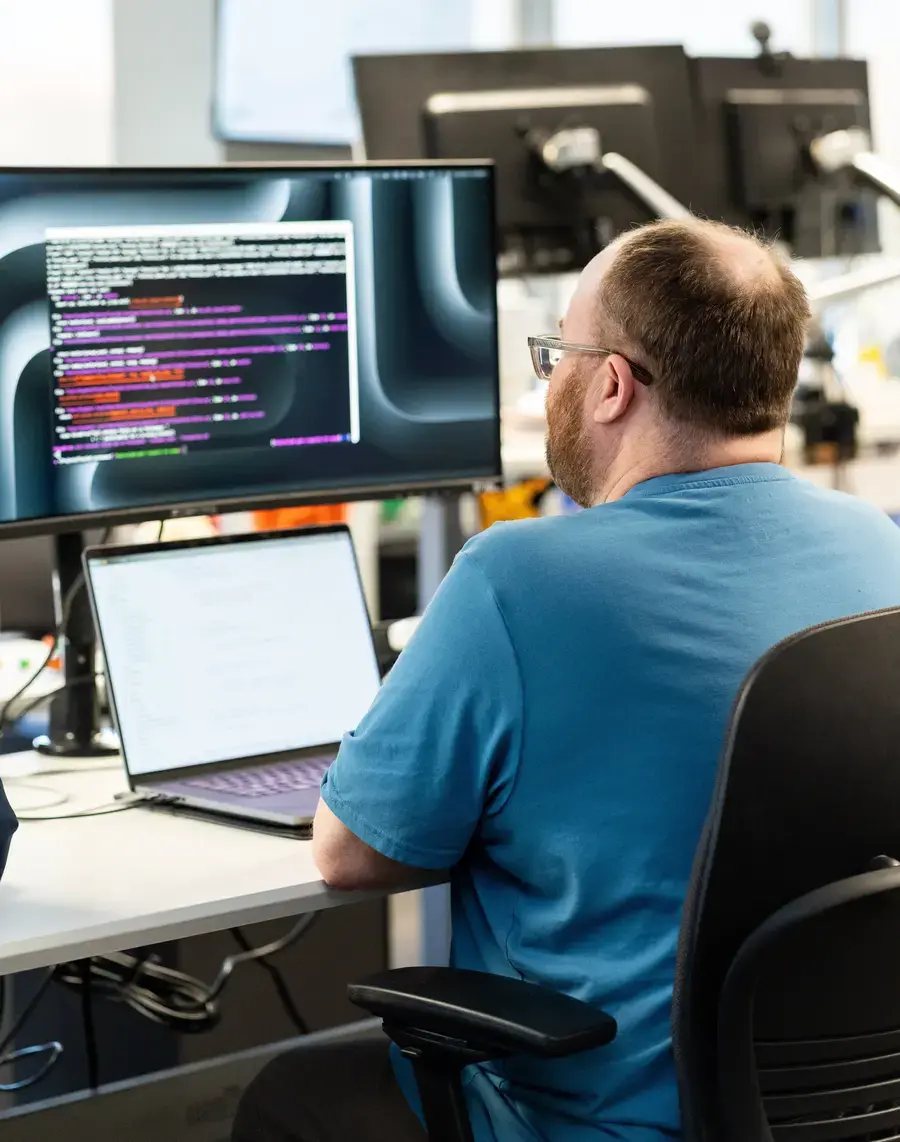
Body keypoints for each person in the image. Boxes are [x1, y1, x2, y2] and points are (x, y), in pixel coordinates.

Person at [232, 219, 900, 1142]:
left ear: (613, 384)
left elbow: (353, 856)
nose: (552, 383)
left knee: (287, 1097)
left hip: (586, 1117)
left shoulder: (519, 580)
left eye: (559, 357)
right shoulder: (881, 548)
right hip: (838, 1108)